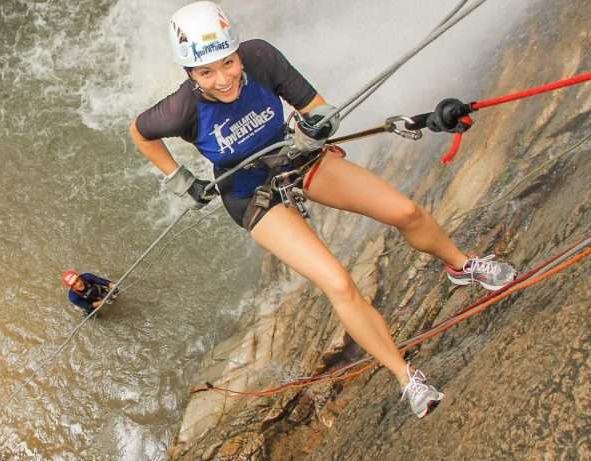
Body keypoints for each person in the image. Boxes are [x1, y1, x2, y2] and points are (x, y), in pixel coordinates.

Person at [129, 1, 517, 418]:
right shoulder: (181, 109)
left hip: (297, 157)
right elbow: (141, 132)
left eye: (228, 62)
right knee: (338, 283)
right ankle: (407, 379)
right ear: (189, 73)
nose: (223, 79)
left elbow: (318, 107)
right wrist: (180, 178)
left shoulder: (260, 57)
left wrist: (315, 128)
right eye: (206, 72)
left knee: (405, 211)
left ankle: (461, 266)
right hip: (250, 193)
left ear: (238, 51)